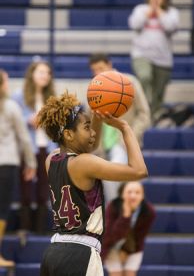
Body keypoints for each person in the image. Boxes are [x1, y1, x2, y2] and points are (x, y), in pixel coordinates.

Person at [37, 91, 148, 276]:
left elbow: (89, 145)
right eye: (87, 127)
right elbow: (139, 171)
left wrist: (95, 118)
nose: (93, 133)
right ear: (68, 134)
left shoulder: (52, 159)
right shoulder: (84, 163)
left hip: (53, 253)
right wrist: (125, 128)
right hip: (80, 255)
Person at [89, 53, 151, 203]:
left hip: (123, 145)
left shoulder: (129, 82)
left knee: (116, 182)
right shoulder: (93, 88)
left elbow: (144, 115)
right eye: (94, 70)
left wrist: (129, 137)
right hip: (101, 148)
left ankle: (114, 213)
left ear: (109, 65)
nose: (98, 73)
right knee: (110, 186)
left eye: (101, 68)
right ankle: (114, 216)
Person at [13, 61, 56, 235]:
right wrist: (28, 120)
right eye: (41, 72)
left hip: (47, 147)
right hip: (28, 149)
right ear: (32, 74)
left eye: (47, 72)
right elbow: (13, 121)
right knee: (26, 188)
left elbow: (59, 125)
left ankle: (40, 230)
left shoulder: (52, 98)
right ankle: (24, 228)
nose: (44, 75)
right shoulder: (19, 96)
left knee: (44, 190)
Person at [0, 69, 36, 267]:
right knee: (1, 210)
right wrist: (31, 162)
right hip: (6, 162)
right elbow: (23, 137)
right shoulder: (11, 106)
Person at [128, 0, 179, 118]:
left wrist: (159, 11)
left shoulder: (172, 12)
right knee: (144, 77)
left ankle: (152, 119)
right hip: (141, 55)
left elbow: (170, 27)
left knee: (158, 95)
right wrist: (149, 12)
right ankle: (142, 110)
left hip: (163, 60)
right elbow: (134, 24)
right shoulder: (140, 9)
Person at [102, 181, 156, 276]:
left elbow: (140, 237)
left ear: (143, 195)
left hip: (134, 247)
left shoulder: (149, 212)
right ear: (122, 194)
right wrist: (125, 216)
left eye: (137, 192)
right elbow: (111, 235)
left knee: (130, 273)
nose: (133, 196)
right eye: (129, 192)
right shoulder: (113, 206)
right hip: (111, 245)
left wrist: (126, 251)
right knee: (116, 273)